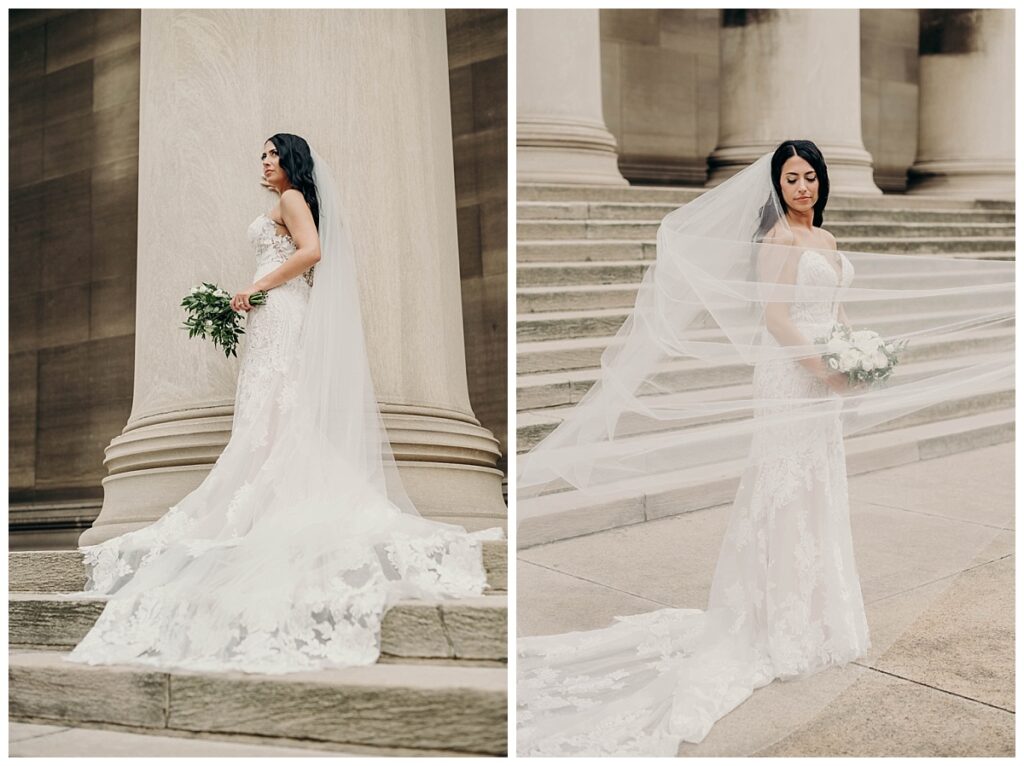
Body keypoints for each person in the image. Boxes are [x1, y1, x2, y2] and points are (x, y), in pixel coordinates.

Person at [516, 140, 1012, 755]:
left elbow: (833, 308)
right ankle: (774, 623)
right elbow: (777, 318)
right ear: (776, 186)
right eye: (791, 179)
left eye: (809, 177)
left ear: (822, 182)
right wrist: (824, 366)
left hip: (824, 378)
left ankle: (816, 615)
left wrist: (857, 356)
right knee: (782, 487)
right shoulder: (776, 242)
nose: (802, 187)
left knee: (818, 487)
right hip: (789, 374)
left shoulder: (826, 242)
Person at [66, 133, 500, 674]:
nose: (265, 163)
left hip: (282, 310)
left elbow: (312, 251)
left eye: (272, 154)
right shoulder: (280, 204)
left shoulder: (292, 199)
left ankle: (266, 502)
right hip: (274, 313)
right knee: (266, 408)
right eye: (262, 156)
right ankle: (266, 497)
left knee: (272, 404)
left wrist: (259, 285)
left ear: (291, 161)